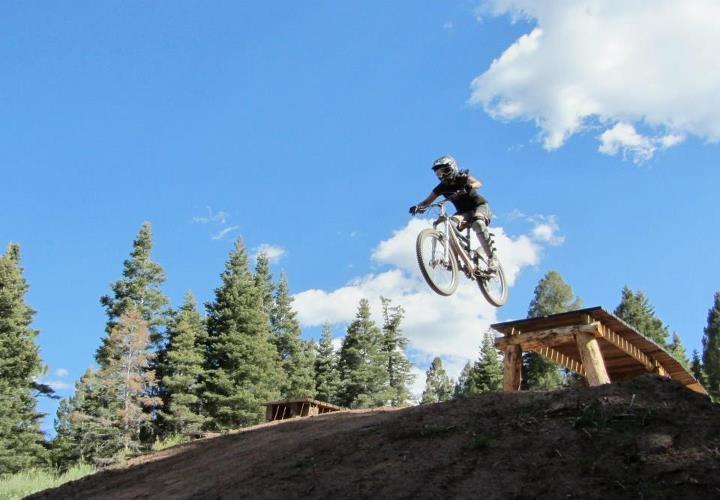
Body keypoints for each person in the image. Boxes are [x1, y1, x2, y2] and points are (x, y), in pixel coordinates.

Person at [409, 155, 498, 272]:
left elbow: (478, 183)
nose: (442, 176)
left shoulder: (462, 177)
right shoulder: (441, 187)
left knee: (478, 223)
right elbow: (427, 201)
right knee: (450, 224)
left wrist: (469, 186)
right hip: (463, 213)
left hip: (479, 207)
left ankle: (492, 259)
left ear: (452, 168)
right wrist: (418, 207)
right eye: (438, 174)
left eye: (444, 171)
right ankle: (455, 259)